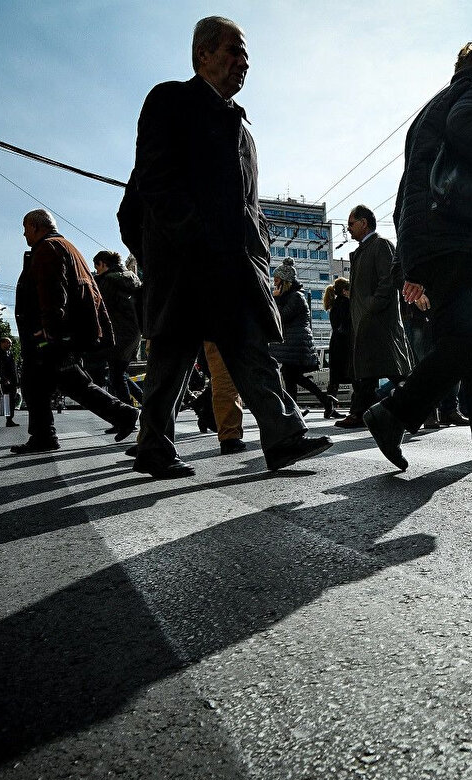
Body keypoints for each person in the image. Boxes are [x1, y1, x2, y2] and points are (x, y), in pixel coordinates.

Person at [119, 16, 330, 477]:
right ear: (203, 55)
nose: (243, 63)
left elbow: (248, 207)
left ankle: (283, 435)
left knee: (247, 347)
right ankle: (155, 446)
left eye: (246, 55)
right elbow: (151, 184)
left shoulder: (243, 130)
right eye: (234, 51)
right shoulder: (170, 101)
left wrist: (258, 247)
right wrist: (179, 243)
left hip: (234, 264)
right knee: (172, 354)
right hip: (185, 261)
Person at [363, 40, 472, 470]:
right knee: (469, 337)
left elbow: (410, 186)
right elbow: (471, 127)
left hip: (432, 232)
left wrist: (407, 260)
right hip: (458, 232)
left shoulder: (437, 103)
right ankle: (393, 412)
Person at [13, 210, 140, 455]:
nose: (24, 233)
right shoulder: (66, 246)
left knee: (67, 382)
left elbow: (52, 294)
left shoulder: (48, 249)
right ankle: (44, 435)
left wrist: (47, 332)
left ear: (37, 227)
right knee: (44, 383)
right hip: (60, 332)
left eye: (26, 227)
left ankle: (123, 413)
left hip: (50, 334)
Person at [335, 204, 412, 430]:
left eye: (351, 224)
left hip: (380, 322)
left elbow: (387, 282)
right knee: (366, 371)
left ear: (363, 223)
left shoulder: (381, 245)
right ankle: (359, 413)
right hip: (365, 321)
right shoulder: (361, 250)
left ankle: (424, 407)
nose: (348, 229)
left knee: (395, 371)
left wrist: (370, 306)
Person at [270, 260, 342, 418]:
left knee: (291, 376)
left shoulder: (296, 297)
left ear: (285, 281)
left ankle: (297, 408)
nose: (274, 284)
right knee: (292, 376)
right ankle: (313, 404)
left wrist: (275, 300)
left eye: (276, 281)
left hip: (297, 343)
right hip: (292, 343)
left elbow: (281, 317)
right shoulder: (289, 296)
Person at [92, 250, 143, 408]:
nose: (97, 271)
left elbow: (100, 308)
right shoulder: (131, 277)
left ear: (103, 263)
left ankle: (127, 413)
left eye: (97, 267)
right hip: (134, 332)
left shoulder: (108, 280)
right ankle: (146, 405)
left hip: (119, 332)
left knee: (115, 374)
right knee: (119, 372)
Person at [323, 277, 352, 398]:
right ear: (345, 291)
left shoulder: (334, 305)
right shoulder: (346, 303)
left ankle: (330, 404)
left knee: (334, 377)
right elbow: (348, 322)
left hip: (335, 341)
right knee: (352, 374)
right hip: (345, 342)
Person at [0, 337, 20, 426]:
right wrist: (4, 379)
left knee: (12, 400)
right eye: (8, 343)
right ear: (2, 343)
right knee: (7, 400)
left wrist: (17, 380)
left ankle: (10, 418)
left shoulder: (10, 353)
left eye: (10, 343)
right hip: (6, 381)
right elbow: (0, 368)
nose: (10, 345)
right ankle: (8, 419)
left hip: (13, 381)